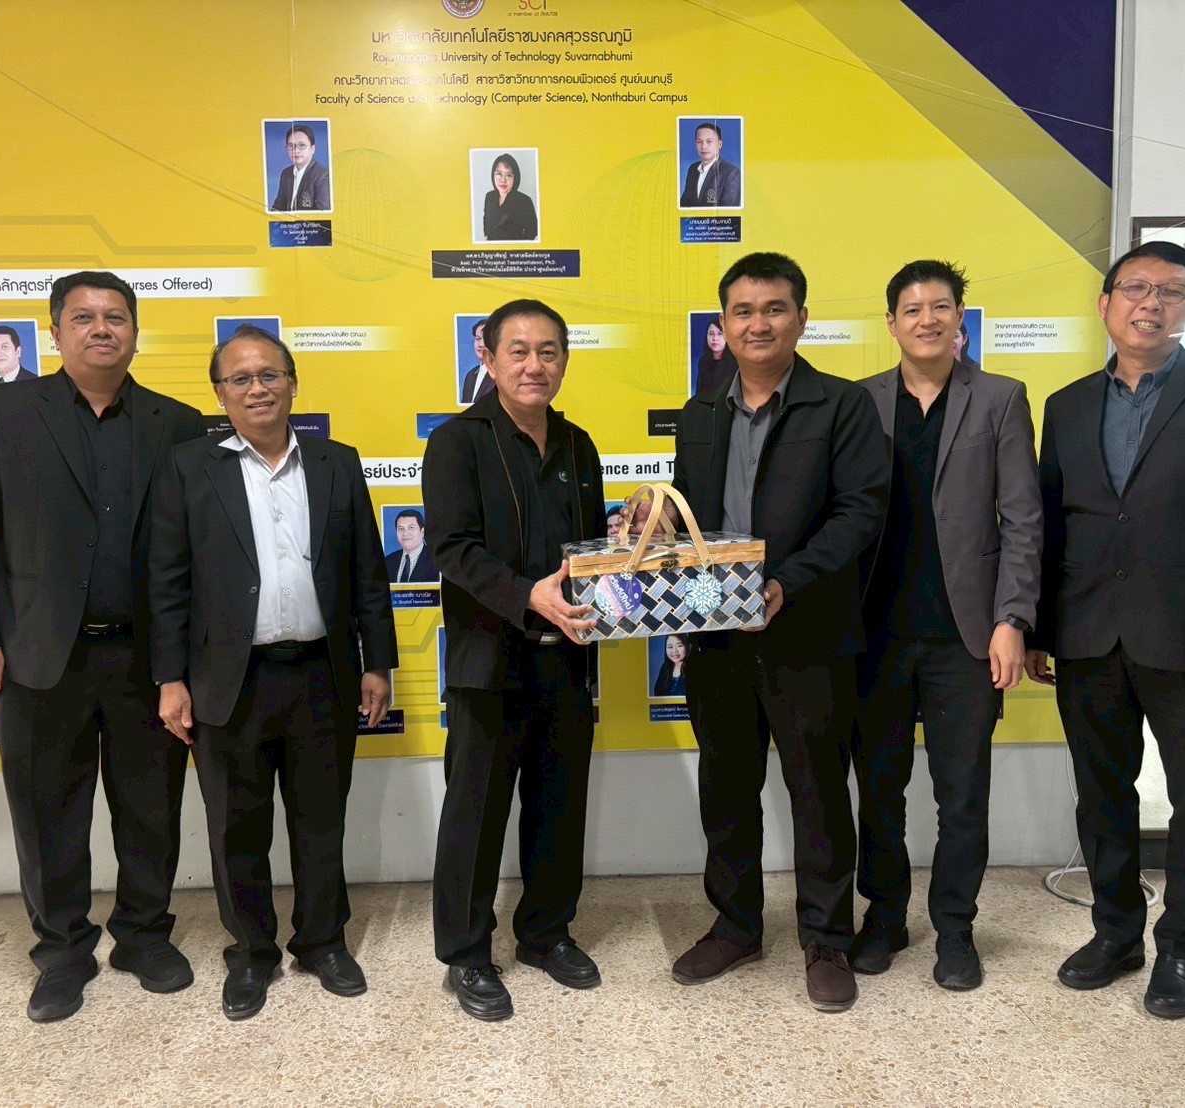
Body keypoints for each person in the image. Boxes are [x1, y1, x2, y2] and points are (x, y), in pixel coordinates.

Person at [1026, 241, 1185, 1020]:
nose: (1150, 303)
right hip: (1086, 636)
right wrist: (1038, 627)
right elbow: (1050, 525)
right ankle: (1116, 934)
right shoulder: (1066, 404)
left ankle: (1182, 949)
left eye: (1171, 291)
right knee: (1100, 797)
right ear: (1104, 304)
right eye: (1135, 288)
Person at [0, 271, 205, 1022]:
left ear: (135, 333)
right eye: (84, 317)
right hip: (39, 654)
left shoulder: (177, 422)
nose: (102, 329)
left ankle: (143, 935)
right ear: (56, 332)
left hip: (147, 658)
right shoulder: (6, 411)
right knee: (46, 811)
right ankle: (62, 951)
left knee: (150, 807)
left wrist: (187, 658)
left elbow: (193, 550)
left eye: (116, 317)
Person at [641, 252, 886, 1012]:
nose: (758, 324)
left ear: (801, 319)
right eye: (742, 311)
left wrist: (787, 582)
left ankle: (826, 938)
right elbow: (692, 518)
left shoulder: (841, 405)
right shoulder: (700, 412)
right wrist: (653, 527)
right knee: (726, 785)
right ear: (721, 325)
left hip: (807, 633)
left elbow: (860, 513)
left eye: (774, 309)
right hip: (716, 636)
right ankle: (736, 925)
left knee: (818, 791)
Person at [147, 324, 396, 1020]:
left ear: (292, 384)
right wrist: (170, 678)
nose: (257, 388)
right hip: (229, 680)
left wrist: (377, 661)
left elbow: (368, 573)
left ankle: (322, 942)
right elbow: (166, 582)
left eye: (269, 375)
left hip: (321, 673)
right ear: (220, 393)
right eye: (240, 379)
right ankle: (252, 953)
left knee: (321, 823)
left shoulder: (337, 462)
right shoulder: (188, 468)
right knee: (236, 829)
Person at [850, 260, 1041, 990]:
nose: (925, 319)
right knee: (879, 791)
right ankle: (884, 917)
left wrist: (1012, 619)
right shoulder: (859, 401)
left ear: (959, 317)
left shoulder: (999, 398)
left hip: (966, 636)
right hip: (875, 634)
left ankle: (956, 929)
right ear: (891, 322)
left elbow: (1021, 520)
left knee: (961, 794)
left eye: (939, 307)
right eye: (911, 308)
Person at [423, 298, 608, 1022]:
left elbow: (587, 552)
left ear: (564, 359)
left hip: (567, 657)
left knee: (559, 807)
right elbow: (452, 548)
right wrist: (526, 595)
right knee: (474, 815)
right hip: (488, 659)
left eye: (549, 351)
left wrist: (625, 540)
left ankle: (545, 933)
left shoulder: (579, 445)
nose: (535, 365)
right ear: (488, 357)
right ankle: (466, 953)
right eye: (519, 351)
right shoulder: (456, 443)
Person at [679, 122, 742, 208]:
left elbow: (728, 212)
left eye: (709, 141)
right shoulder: (693, 169)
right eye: (699, 141)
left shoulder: (732, 173)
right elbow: (684, 204)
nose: (703, 147)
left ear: (720, 144)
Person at [270, 124, 331, 212]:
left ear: (312, 149)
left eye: (302, 145)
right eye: (291, 146)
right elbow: (278, 208)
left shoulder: (322, 175)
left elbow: (323, 213)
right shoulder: (286, 173)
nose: (296, 151)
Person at [481, 153, 538, 242]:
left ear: (515, 178)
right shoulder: (489, 197)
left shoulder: (524, 201)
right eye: (499, 174)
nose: (503, 180)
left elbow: (532, 231)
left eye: (508, 175)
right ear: (493, 175)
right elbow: (486, 221)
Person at [386, 508, 439, 584]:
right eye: (401, 529)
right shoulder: (389, 561)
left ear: (422, 532)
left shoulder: (436, 559)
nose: (405, 533)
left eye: (411, 528)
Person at [694, 319, 738, 398]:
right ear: (706, 337)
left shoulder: (736, 363)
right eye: (711, 334)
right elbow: (699, 393)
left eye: (720, 333)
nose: (715, 338)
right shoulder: (703, 362)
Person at [458, 320, 495, 404]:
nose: (481, 344)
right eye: (478, 339)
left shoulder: (501, 374)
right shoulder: (471, 375)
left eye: (486, 339)